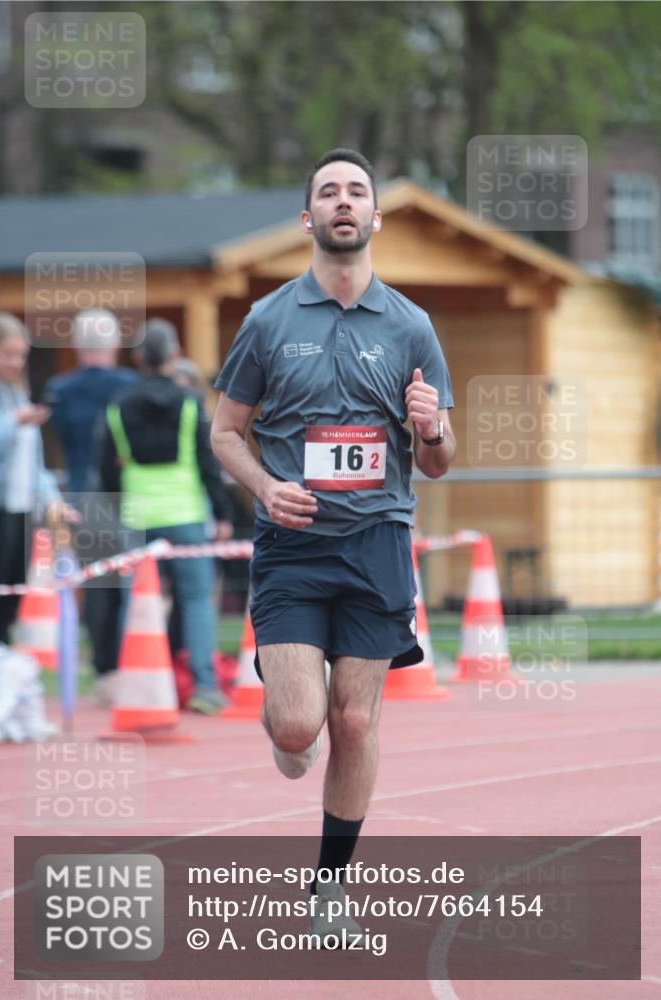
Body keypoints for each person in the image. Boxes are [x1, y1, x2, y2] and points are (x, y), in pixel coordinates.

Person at [210, 149, 456, 940]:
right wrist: (263, 485)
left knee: (353, 723)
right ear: (307, 219)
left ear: (374, 218)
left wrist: (434, 427)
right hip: (292, 544)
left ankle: (328, 889)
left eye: (356, 191)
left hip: (378, 542)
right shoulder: (269, 320)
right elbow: (224, 432)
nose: (342, 202)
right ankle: (283, 718)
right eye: (327, 192)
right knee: (295, 728)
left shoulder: (411, 325)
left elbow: (437, 462)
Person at [100, 318, 235, 714]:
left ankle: (137, 688)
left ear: (138, 357)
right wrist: (223, 512)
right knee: (196, 601)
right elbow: (208, 463)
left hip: (137, 515)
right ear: (175, 355)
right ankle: (205, 687)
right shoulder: (191, 403)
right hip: (187, 513)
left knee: (137, 604)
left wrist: (115, 508)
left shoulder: (117, 406)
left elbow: (106, 468)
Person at [44, 309, 138, 705]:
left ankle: (104, 670)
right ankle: (131, 666)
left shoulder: (60, 390)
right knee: (134, 585)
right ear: (114, 345)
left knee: (99, 586)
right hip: (128, 494)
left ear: (78, 346)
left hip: (83, 494)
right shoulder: (130, 386)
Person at [0, 313, 78, 642]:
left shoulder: (16, 397)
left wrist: (55, 502)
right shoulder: (13, 409)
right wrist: (14, 421)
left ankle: (1, 663)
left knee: (13, 590)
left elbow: (36, 465)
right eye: (8, 354)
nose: (16, 363)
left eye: (21, 355)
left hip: (20, 511)